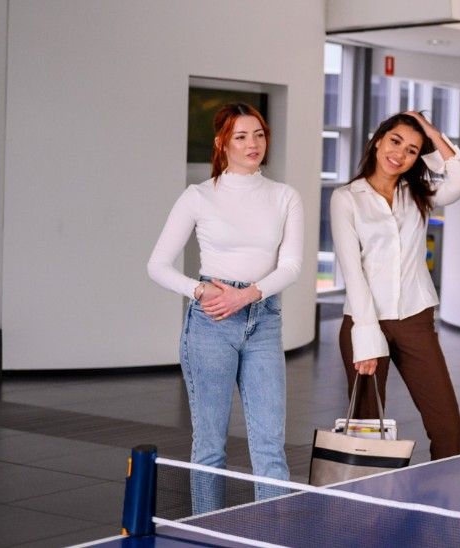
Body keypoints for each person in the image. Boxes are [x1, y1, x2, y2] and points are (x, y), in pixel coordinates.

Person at [146, 103, 303, 509]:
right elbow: (157, 265)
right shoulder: (198, 196)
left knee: (270, 446)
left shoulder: (285, 196)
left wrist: (247, 294)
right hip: (211, 322)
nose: (253, 144)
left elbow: (291, 266)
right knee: (210, 444)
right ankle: (207, 531)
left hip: (263, 319)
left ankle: (272, 533)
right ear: (222, 143)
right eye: (241, 136)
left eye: (259, 134)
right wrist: (199, 292)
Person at [331, 111, 460, 460]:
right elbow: (353, 272)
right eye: (395, 141)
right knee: (366, 432)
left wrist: (427, 130)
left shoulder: (421, 194)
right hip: (365, 322)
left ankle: (440, 507)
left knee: (448, 428)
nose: (400, 154)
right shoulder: (346, 198)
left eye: (412, 150)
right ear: (378, 140)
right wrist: (366, 339)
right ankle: (365, 510)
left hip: (415, 319)